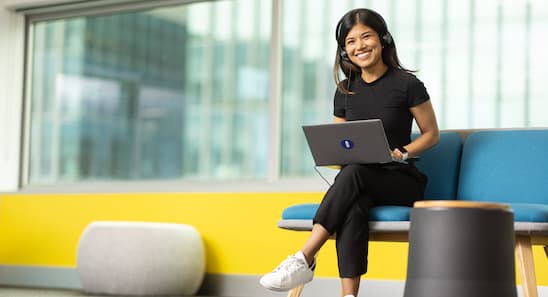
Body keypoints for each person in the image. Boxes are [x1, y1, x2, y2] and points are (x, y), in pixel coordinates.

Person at [259, 8, 440, 297]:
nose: (360, 46)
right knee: (353, 203)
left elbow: (432, 134)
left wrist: (402, 152)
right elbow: (340, 141)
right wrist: (333, 155)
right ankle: (349, 295)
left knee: (354, 175)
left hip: (401, 180)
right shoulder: (345, 90)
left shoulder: (407, 84)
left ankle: (305, 257)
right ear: (344, 51)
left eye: (366, 37)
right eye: (351, 42)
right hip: (360, 180)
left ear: (383, 40)